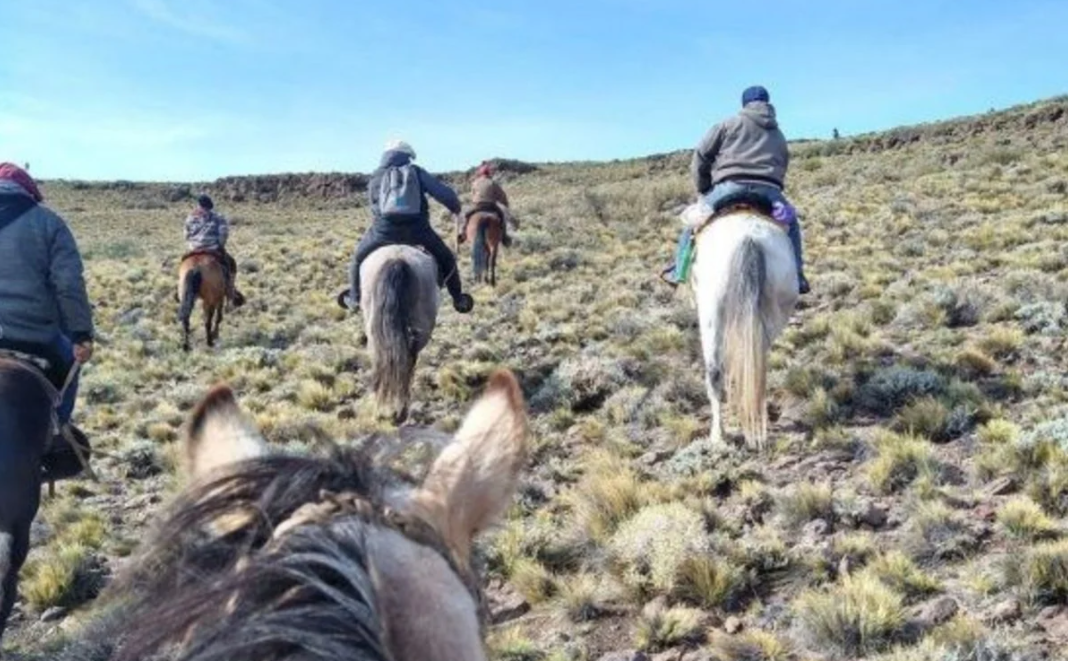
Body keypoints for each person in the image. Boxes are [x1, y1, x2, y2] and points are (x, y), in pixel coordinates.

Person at [666, 85, 809, 294]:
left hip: (728, 187)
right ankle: (797, 275)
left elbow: (701, 156)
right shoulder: (778, 134)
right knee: (792, 224)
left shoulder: (727, 124)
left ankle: (678, 270)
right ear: (768, 103)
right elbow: (782, 164)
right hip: (768, 191)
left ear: (744, 104)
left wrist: (704, 189)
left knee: (693, 224)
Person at [0, 162, 95, 477]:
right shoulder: (49, 223)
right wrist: (81, 334)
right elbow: (68, 284)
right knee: (70, 361)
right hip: (35, 335)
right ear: (28, 190)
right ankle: (57, 431)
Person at [344, 140, 473, 313]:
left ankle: (354, 298)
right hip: (418, 231)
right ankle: (458, 299)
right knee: (447, 258)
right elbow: (444, 194)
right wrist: (455, 207)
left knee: (357, 259)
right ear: (407, 156)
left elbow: (374, 208)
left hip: (383, 232)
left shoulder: (376, 177)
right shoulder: (416, 172)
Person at [184, 194, 243, 308]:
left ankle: (180, 290)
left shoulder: (191, 217)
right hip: (212, 248)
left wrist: (192, 244)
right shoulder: (218, 217)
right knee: (231, 263)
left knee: (184, 263)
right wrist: (220, 245)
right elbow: (223, 234)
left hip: (194, 248)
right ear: (210, 206)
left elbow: (186, 234)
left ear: (199, 205)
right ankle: (230, 292)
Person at [459, 162, 513, 247]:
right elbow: (502, 196)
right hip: (491, 206)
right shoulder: (493, 183)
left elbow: (473, 195)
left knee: (466, 216)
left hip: (477, 206)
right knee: (502, 216)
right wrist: (505, 204)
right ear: (489, 174)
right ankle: (504, 237)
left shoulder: (475, 183)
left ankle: (462, 234)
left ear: (481, 173)